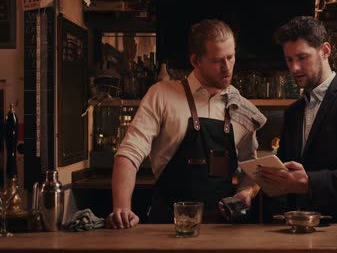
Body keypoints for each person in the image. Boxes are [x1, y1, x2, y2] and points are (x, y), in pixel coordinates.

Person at [106, 19, 266, 229]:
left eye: (231, 57)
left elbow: (251, 169)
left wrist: (245, 193)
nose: (227, 67)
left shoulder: (242, 108)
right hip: (166, 229)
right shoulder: (162, 94)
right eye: (217, 60)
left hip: (223, 231)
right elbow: (129, 153)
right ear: (195, 61)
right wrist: (122, 207)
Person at [257, 16, 337, 222]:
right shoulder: (293, 112)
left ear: (325, 51)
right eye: (289, 60)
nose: (294, 68)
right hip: (295, 230)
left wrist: (308, 182)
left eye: (302, 57)